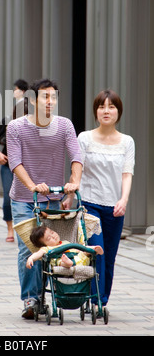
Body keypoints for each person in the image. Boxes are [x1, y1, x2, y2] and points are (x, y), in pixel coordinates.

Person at [6, 78, 83, 319]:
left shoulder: (64, 126)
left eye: (54, 97)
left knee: (54, 246)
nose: (50, 101)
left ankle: (55, 294)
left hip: (54, 198)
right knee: (28, 247)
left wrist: (73, 185)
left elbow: (76, 155)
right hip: (23, 198)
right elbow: (15, 161)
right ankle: (31, 300)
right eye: (44, 97)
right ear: (32, 99)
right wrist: (32, 186)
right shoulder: (16, 127)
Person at [78, 89, 135, 309]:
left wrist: (124, 200)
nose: (106, 111)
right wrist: (72, 194)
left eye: (111, 106)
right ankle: (95, 301)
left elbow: (127, 173)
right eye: (102, 106)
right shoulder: (84, 138)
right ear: (96, 111)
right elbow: (78, 169)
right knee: (96, 251)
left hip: (114, 208)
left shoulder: (127, 142)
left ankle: (102, 299)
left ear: (118, 112)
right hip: (90, 203)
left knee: (109, 256)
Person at [0, 96, 28, 242]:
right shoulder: (8, 122)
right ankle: (10, 229)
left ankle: (24, 230)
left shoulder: (34, 124)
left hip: (27, 167)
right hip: (8, 166)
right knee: (7, 198)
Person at [26, 225, 103, 270]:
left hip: (78, 259)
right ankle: (67, 263)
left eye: (52, 232)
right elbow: (38, 253)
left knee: (84, 250)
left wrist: (81, 250)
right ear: (44, 245)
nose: (53, 236)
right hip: (63, 263)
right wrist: (31, 259)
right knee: (59, 261)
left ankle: (93, 249)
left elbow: (76, 249)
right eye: (49, 238)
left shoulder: (65, 242)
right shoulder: (46, 248)